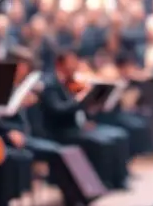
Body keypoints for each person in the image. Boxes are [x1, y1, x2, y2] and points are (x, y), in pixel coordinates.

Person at [39, 50, 130, 189]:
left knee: (119, 135)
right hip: (63, 130)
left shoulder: (72, 82)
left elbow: (81, 109)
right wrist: (79, 100)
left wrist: (89, 110)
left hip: (79, 126)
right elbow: (58, 110)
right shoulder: (51, 85)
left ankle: (119, 179)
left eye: (76, 62)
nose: (75, 66)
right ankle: (102, 182)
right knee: (102, 142)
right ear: (60, 65)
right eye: (71, 63)